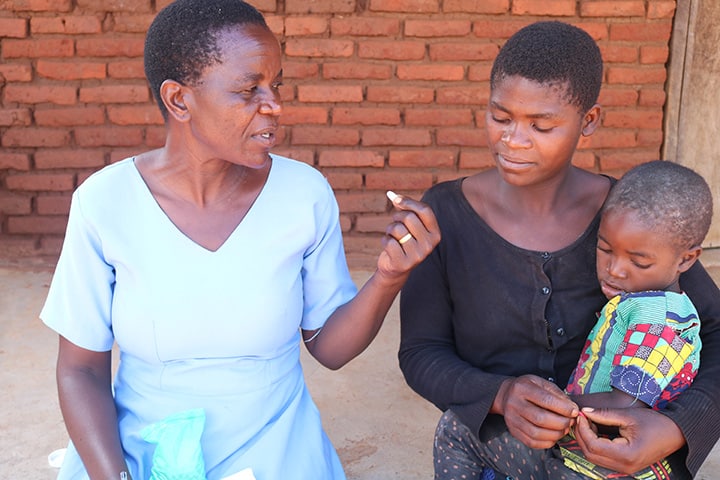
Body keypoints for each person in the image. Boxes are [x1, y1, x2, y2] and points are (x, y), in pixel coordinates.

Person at [40, 1, 440, 479]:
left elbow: (329, 349)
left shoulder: (303, 195)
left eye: (276, 85)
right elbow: (80, 370)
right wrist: (115, 475)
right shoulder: (104, 203)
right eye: (249, 89)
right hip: (139, 446)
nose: (273, 104)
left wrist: (388, 277)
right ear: (179, 100)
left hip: (273, 445)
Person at [398, 20, 720, 480]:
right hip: (507, 448)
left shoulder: (633, 221)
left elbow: (717, 329)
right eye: (500, 117)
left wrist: (676, 428)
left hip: (619, 457)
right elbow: (421, 353)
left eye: (541, 125)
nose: (513, 140)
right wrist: (499, 395)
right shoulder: (445, 214)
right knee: (455, 430)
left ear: (588, 122)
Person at [556, 160, 712, 479]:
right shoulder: (639, 302)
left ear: (686, 259)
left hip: (616, 467)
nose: (615, 269)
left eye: (638, 262)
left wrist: (558, 403)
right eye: (605, 249)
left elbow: (624, 404)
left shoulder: (661, 324)